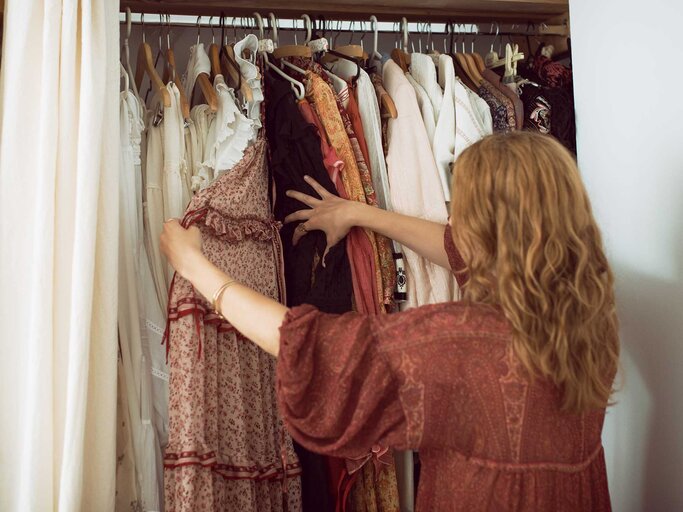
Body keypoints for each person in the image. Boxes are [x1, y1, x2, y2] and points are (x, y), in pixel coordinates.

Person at [160, 131, 618, 511]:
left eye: (461, 209)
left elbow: (310, 345)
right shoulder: (589, 315)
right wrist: (359, 213)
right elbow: (457, 246)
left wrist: (197, 267)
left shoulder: (461, 342)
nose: (453, 218)